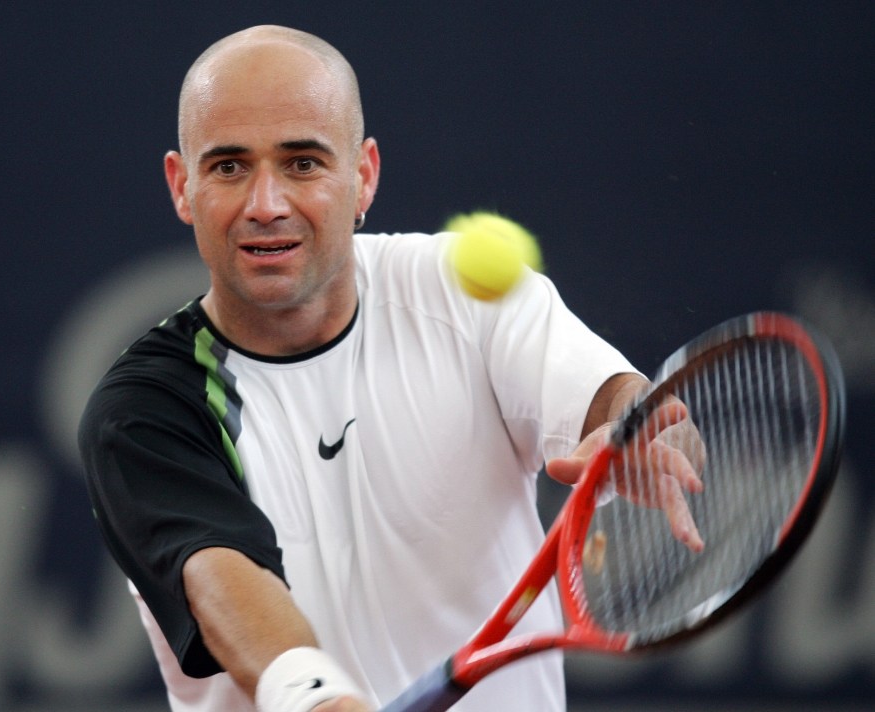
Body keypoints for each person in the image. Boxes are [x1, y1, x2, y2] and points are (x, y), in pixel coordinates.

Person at [79, 25, 703, 712]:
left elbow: (612, 400)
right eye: (229, 167)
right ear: (182, 186)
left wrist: (640, 431)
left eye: (303, 164)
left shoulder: (463, 294)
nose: (266, 205)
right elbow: (226, 583)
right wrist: (322, 702)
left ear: (363, 175)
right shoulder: (144, 409)